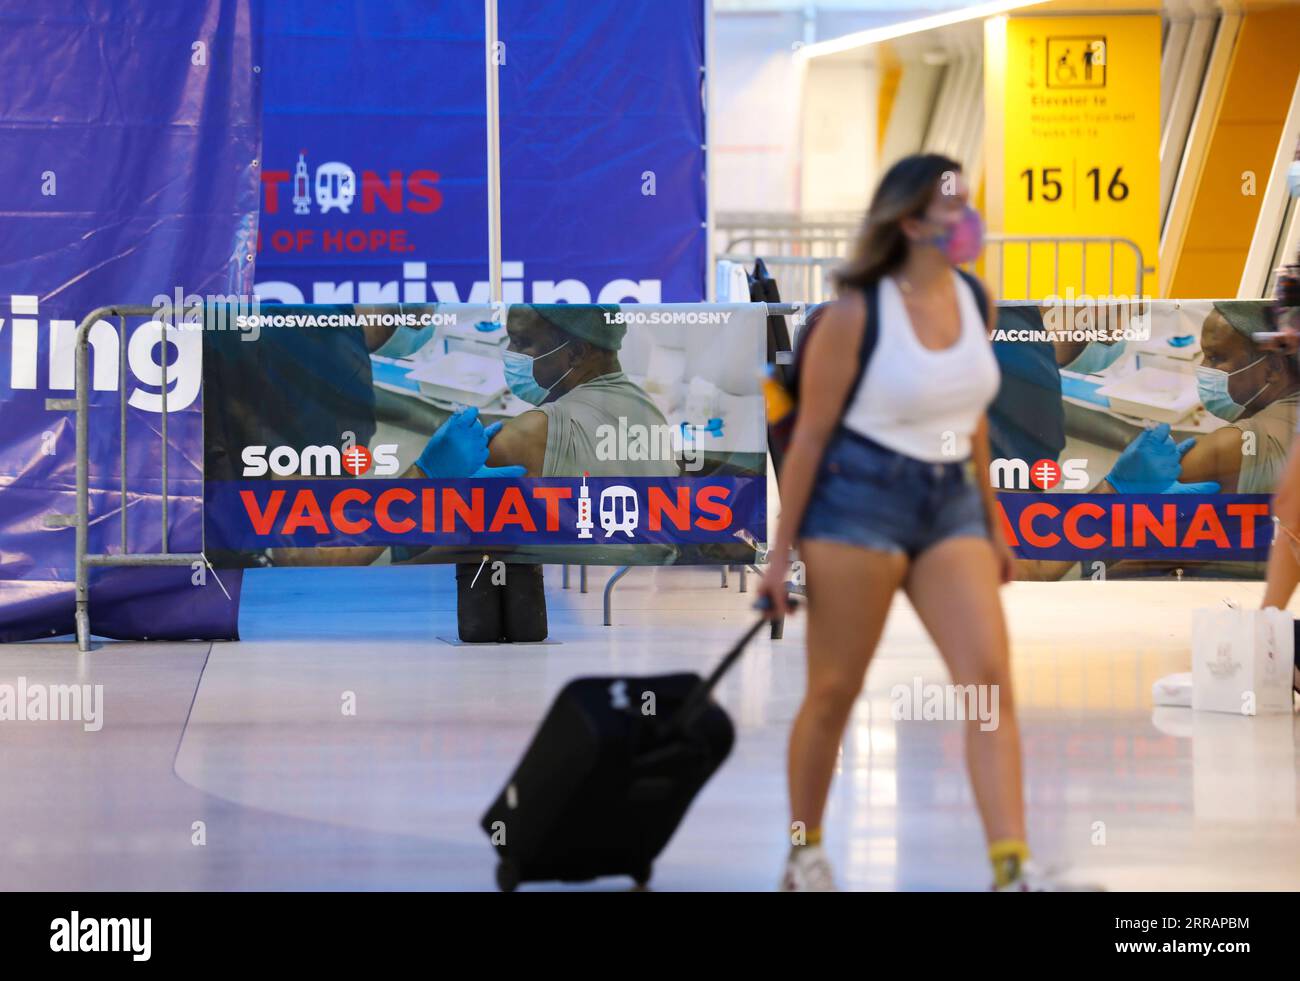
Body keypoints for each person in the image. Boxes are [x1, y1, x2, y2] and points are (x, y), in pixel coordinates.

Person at [758, 153, 1068, 891]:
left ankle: (1011, 865)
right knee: (834, 690)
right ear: (910, 222)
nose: (970, 220)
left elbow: (973, 418)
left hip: (949, 503)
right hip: (858, 505)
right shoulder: (853, 315)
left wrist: (994, 520)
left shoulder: (975, 298)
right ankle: (805, 849)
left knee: (989, 681)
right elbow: (806, 440)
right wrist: (779, 558)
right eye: (953, 206)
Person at [486, 305, 679, 477]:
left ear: (576, 353)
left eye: (521, 343)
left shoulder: (527, 434)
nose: (509, 354)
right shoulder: (645, 408)